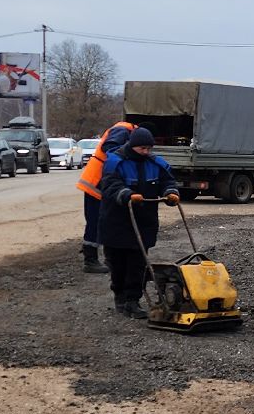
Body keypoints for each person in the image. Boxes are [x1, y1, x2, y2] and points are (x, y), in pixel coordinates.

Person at [97, 127, 181, 317]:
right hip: (116, 222)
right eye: (142, 148)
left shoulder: (156, 163)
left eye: (148, 148)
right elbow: (110, 185)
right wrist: (126, 194)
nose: (146, 152)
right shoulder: (115, 162)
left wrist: (171, 193)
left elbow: (168, 181)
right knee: (117, 264)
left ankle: (132, 301)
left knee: (138, 264)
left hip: (142, 223)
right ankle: (120, 297)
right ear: (132, 146)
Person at [74, 119, 137, 274]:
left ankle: (102, 257)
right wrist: (125, 157)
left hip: (100, 182)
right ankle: (90, 260)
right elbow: (109, 147)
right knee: (96, 222)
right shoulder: (123, 130)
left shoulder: (125, 130)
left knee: (103, 222)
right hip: (96, 182)